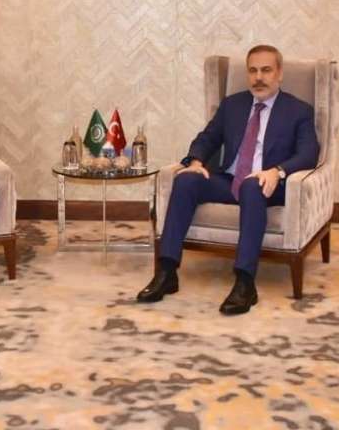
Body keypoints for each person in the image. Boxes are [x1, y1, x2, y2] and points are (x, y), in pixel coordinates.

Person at [137, 45, 319, 314]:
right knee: (185, 180)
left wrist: (277, 171)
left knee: (252, 186)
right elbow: (207, 138)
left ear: (280, 73)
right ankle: (167, 272)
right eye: (253, 71)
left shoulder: (298, 110)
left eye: (266, 70)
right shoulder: (233, 105)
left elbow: (308, 154)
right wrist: (196, 162)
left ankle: (245, 282)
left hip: (268, 185)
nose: (259, 77)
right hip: (230, 180)